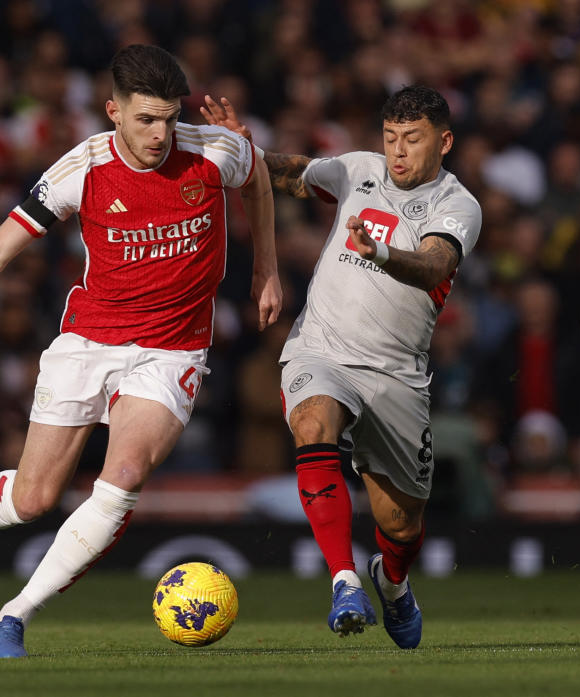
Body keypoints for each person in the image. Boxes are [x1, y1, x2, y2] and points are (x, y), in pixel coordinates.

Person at [0, 44, 282, 658]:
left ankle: (12, 617)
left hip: (173, 350)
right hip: (89, 340)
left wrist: (265, 269)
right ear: (113, 111)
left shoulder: (215, 149)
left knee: (122, 477)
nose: (160, 133)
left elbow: (259, 180)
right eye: (146, 119)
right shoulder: (82, 168)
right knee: (34, 499)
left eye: (170, 118)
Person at [203, 85, 481, 648]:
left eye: (414, 139)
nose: (398, 151)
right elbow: (292, 174)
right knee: (312, 423)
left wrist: (379, 252)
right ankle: (345, 580)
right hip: (320, 349)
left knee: (401, 525)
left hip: (397, 375)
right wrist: (246, 151)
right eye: (391, 138)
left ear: (444, 142)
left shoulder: (458, 205)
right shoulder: (358, 170)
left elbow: (433, 266)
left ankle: (392, 582)